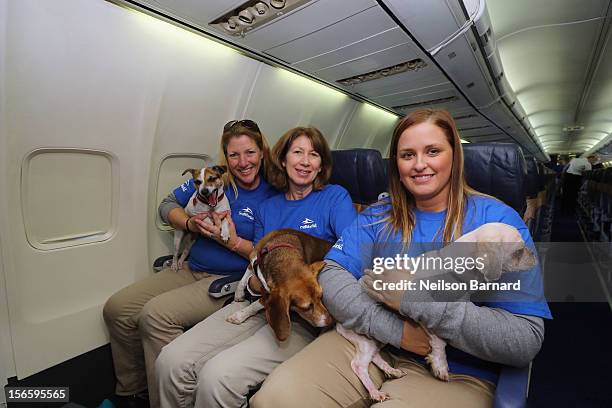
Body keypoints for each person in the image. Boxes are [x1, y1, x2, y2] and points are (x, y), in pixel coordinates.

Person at [251, 109, 552, 408]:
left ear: (455, 156)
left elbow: (524, 338)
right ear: (395, 163)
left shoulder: (498, 224)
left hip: (462, 367)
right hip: (371, 338)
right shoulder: (377, 216)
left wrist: (415, 298)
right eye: (407, 155)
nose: (420, 164)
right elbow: (330, 275)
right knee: (274, 398)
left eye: (433, 151)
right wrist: (399, 332)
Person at [156, 126, 357, 408]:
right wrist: (250, 274)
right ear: (282, 160)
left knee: (218, 377)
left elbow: (353, 253)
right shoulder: (268, 208)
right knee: (170, 361)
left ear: (321, 164)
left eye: (314, 155)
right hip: (260, 300)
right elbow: (257, 260)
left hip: (303, 314)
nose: (305, 161)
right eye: (297, 152)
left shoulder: (335, 197)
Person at [103, 119, 277, 408]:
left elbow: (266, 255)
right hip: (190, 267)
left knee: (155, 315)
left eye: (250, 152)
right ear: (225, 158)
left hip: (227, 279)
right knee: (118, 308)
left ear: (262, 152)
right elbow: (166, 205)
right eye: (234, 155)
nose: (243, 162)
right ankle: (135, 393)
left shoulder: (274, 192)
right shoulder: (211, 178)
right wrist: (190, 224)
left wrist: (231, 241)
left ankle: (167, 401)